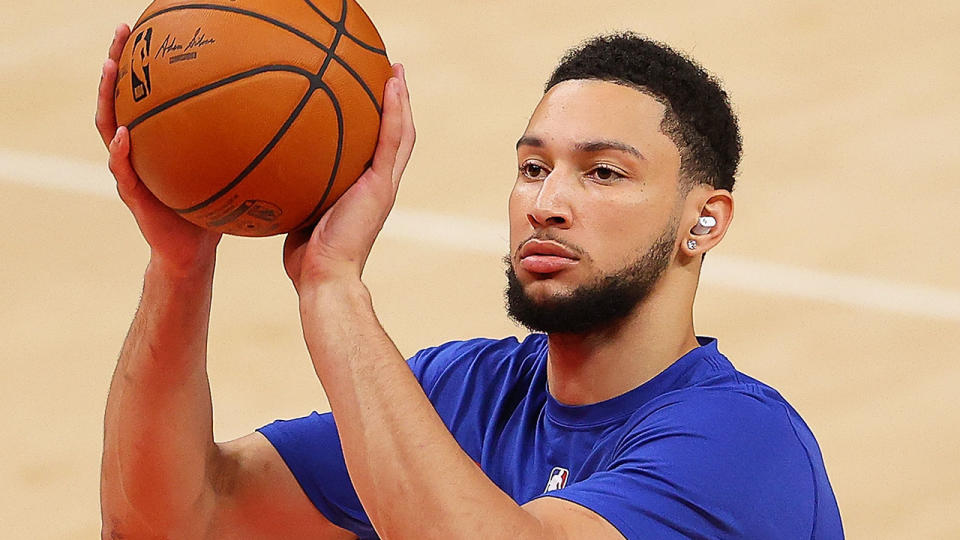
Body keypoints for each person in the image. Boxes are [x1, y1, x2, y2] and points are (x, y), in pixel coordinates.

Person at [96, 23, 843, 539]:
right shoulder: (466, 394)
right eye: (532, 168)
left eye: (604, 173)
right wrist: (181, 265)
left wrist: (332, 287)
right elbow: (174, 520)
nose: (547, 204)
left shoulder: (743, 445)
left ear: (703, 222)